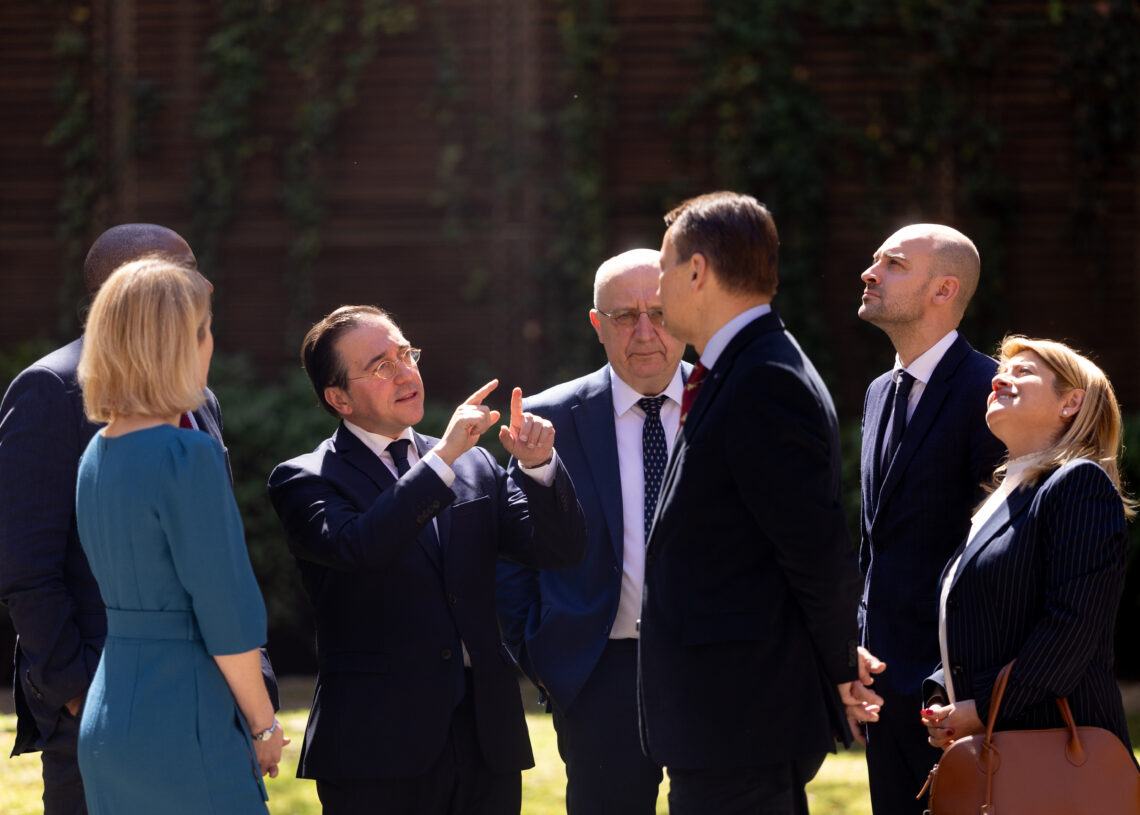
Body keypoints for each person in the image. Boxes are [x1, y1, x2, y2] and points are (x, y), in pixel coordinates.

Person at [0, 223, 276, 815]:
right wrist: (75, 691)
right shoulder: (49, 389)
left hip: (163, 707)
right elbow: (26, 567)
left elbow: (206, 562)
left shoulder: (183, 408)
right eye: (186, 270)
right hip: (123, 703)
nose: (203, 282)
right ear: (141, 291)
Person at [267, 305, 587, 815]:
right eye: (380, 366)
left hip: (486, 737)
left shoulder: (474, 462)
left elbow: (559, 550)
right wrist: (442, 461)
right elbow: (362, 547)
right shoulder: (304, 479)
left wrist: (540, 467)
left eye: (404, 354)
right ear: (338, 398)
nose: (404, 372)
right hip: (377, 747)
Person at [641, 190, 880, 815]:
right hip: (723, 717)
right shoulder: (739, 369)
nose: (658, 285)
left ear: (697, 271)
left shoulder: (764, 380)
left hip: (739, 716)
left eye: (664, 268)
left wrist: (838, 663)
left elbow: (814, 546)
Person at [74, 257, 285, 814]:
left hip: (111, 715)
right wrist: (264, 727)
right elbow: (226, 614)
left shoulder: (96, 454)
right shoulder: (186, 454)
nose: (211, 343)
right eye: (205, 327)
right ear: (178, 343)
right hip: (185, 719)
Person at [496, 249, 686, 814]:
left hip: (714, 663)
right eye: (625, 317)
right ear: (598, 325)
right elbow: (515, 556)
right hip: (599, 672)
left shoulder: (732, 403)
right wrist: (545, 658)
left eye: (660, 311)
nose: (646, 332)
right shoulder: (546, 419)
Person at [922, 336, 1135, 757]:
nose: (1000, 379)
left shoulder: (1080, 484)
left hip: (1057, 761)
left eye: (1022, 372)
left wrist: (982, 708)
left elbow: (1070, 629)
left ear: (1070, 403)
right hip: (997, 755)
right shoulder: (1002, 498)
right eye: (1001, 371)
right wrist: (940, 698)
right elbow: (975, 622)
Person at [855, 223, 1004, 813]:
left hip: (950, 692)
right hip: (878, 686)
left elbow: (998, 552)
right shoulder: (874, 392)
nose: (870, 272)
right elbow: (876, 540)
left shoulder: (991, 391)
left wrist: (963, 687)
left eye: (892, 263)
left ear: (944, 290)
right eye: (875, 259)